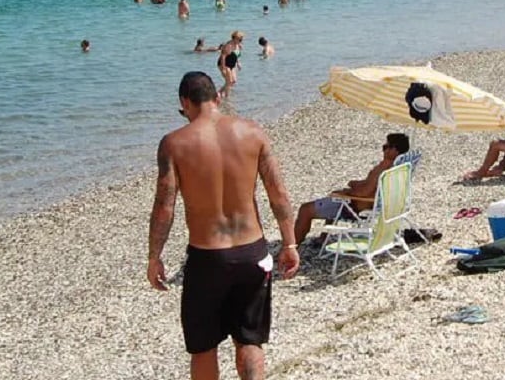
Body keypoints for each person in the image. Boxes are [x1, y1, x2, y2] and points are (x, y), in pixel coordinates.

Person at [147, 71, 298, 380]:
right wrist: (290, 243)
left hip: (207, 257)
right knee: (249, 338)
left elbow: (165, 206)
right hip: (252, 252)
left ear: (184, 102)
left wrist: (154, 256)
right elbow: (278, 193)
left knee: (203, 347)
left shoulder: (174, 143)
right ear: (218, 97)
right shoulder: (253, 132)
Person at [293, 133, 410, 246]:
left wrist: (346, 193)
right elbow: (370, 186)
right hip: (376, 206)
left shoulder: (382, 170)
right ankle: (322, 238)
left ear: (395, 150)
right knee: (335, 197)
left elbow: (363, 192)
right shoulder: (397, 169)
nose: (384, 150)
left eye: (387, 147)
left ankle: (293, 246)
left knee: (305, 209)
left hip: (353, 208)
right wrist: (355, 184)